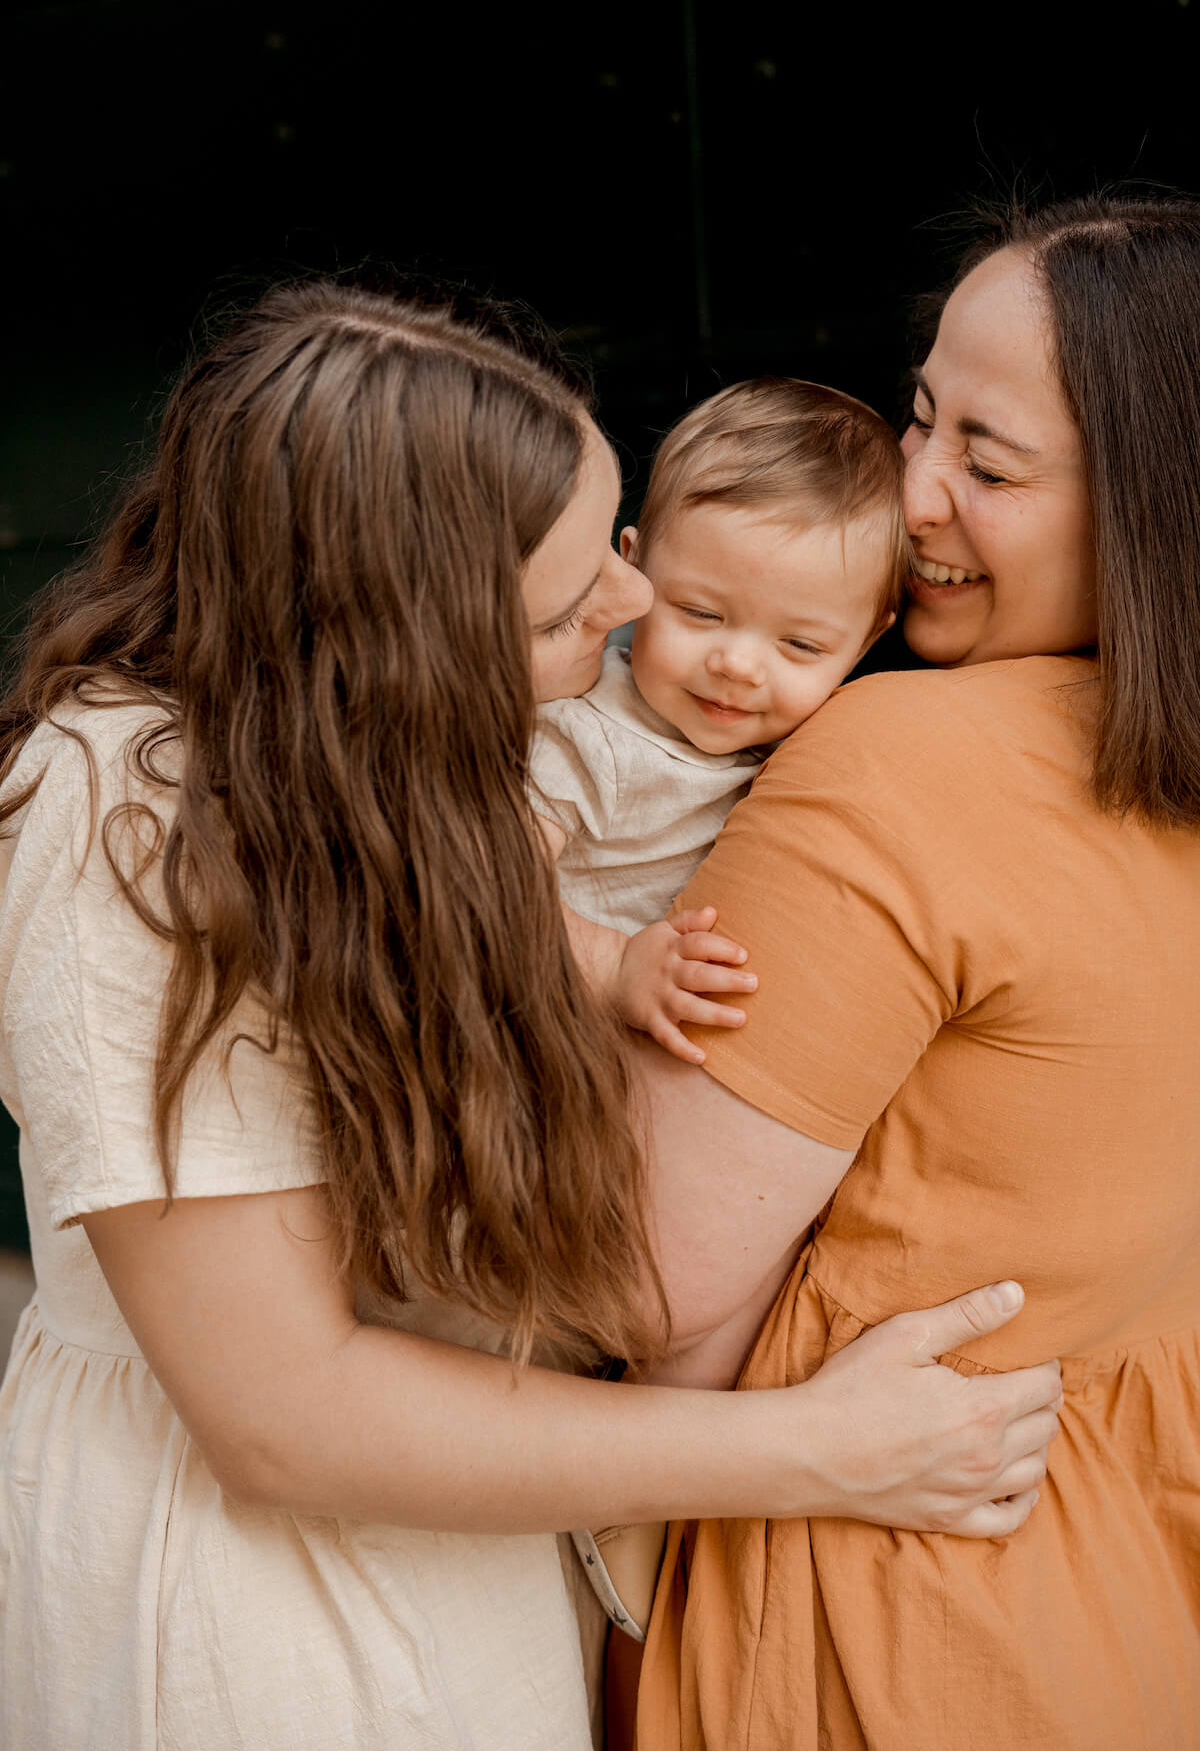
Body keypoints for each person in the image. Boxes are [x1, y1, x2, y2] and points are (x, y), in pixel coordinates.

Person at [0, 279, 1062, 1751]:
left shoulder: (396, 744)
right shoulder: (133, 805)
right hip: (260, 1614)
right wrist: (814, 1449)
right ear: (393, 629)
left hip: (482, 1524)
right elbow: (280, 1416)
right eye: (575, 605)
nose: (632, 613)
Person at [632, 193, 1200, 1750]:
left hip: (869, 1622)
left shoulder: (895, 763)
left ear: (1158, 505)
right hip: (1128, 1609)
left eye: (991, 463)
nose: (914, 493)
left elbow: (649, 1287)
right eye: (920, 417)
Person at [532, 377, 906, 1066]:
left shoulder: (814, 752)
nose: (737, 664)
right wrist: (612, 966)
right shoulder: (591, 734)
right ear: (633, 564)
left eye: (801, 646)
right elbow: (479, 883)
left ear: (866, 644)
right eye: (701, 614)